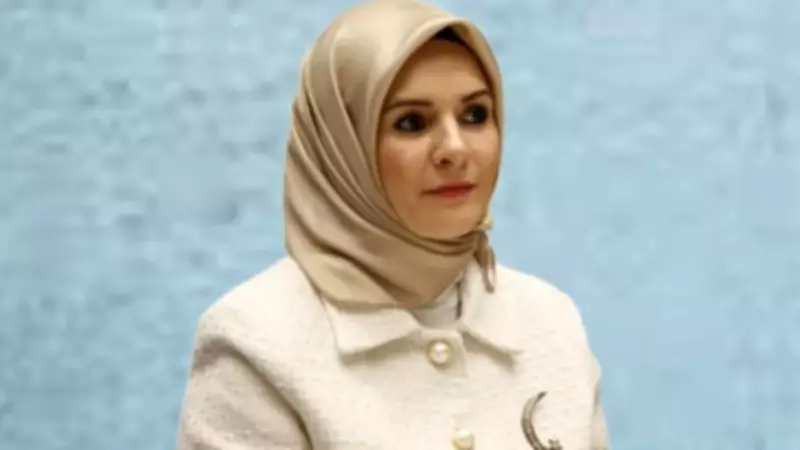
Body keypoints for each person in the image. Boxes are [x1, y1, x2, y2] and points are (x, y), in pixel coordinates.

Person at [175, 0, 609, 449]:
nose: (455, 149)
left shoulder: (550, 322)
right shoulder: (255, 342)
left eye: (475, 115)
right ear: (342, 146)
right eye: (412, 123)